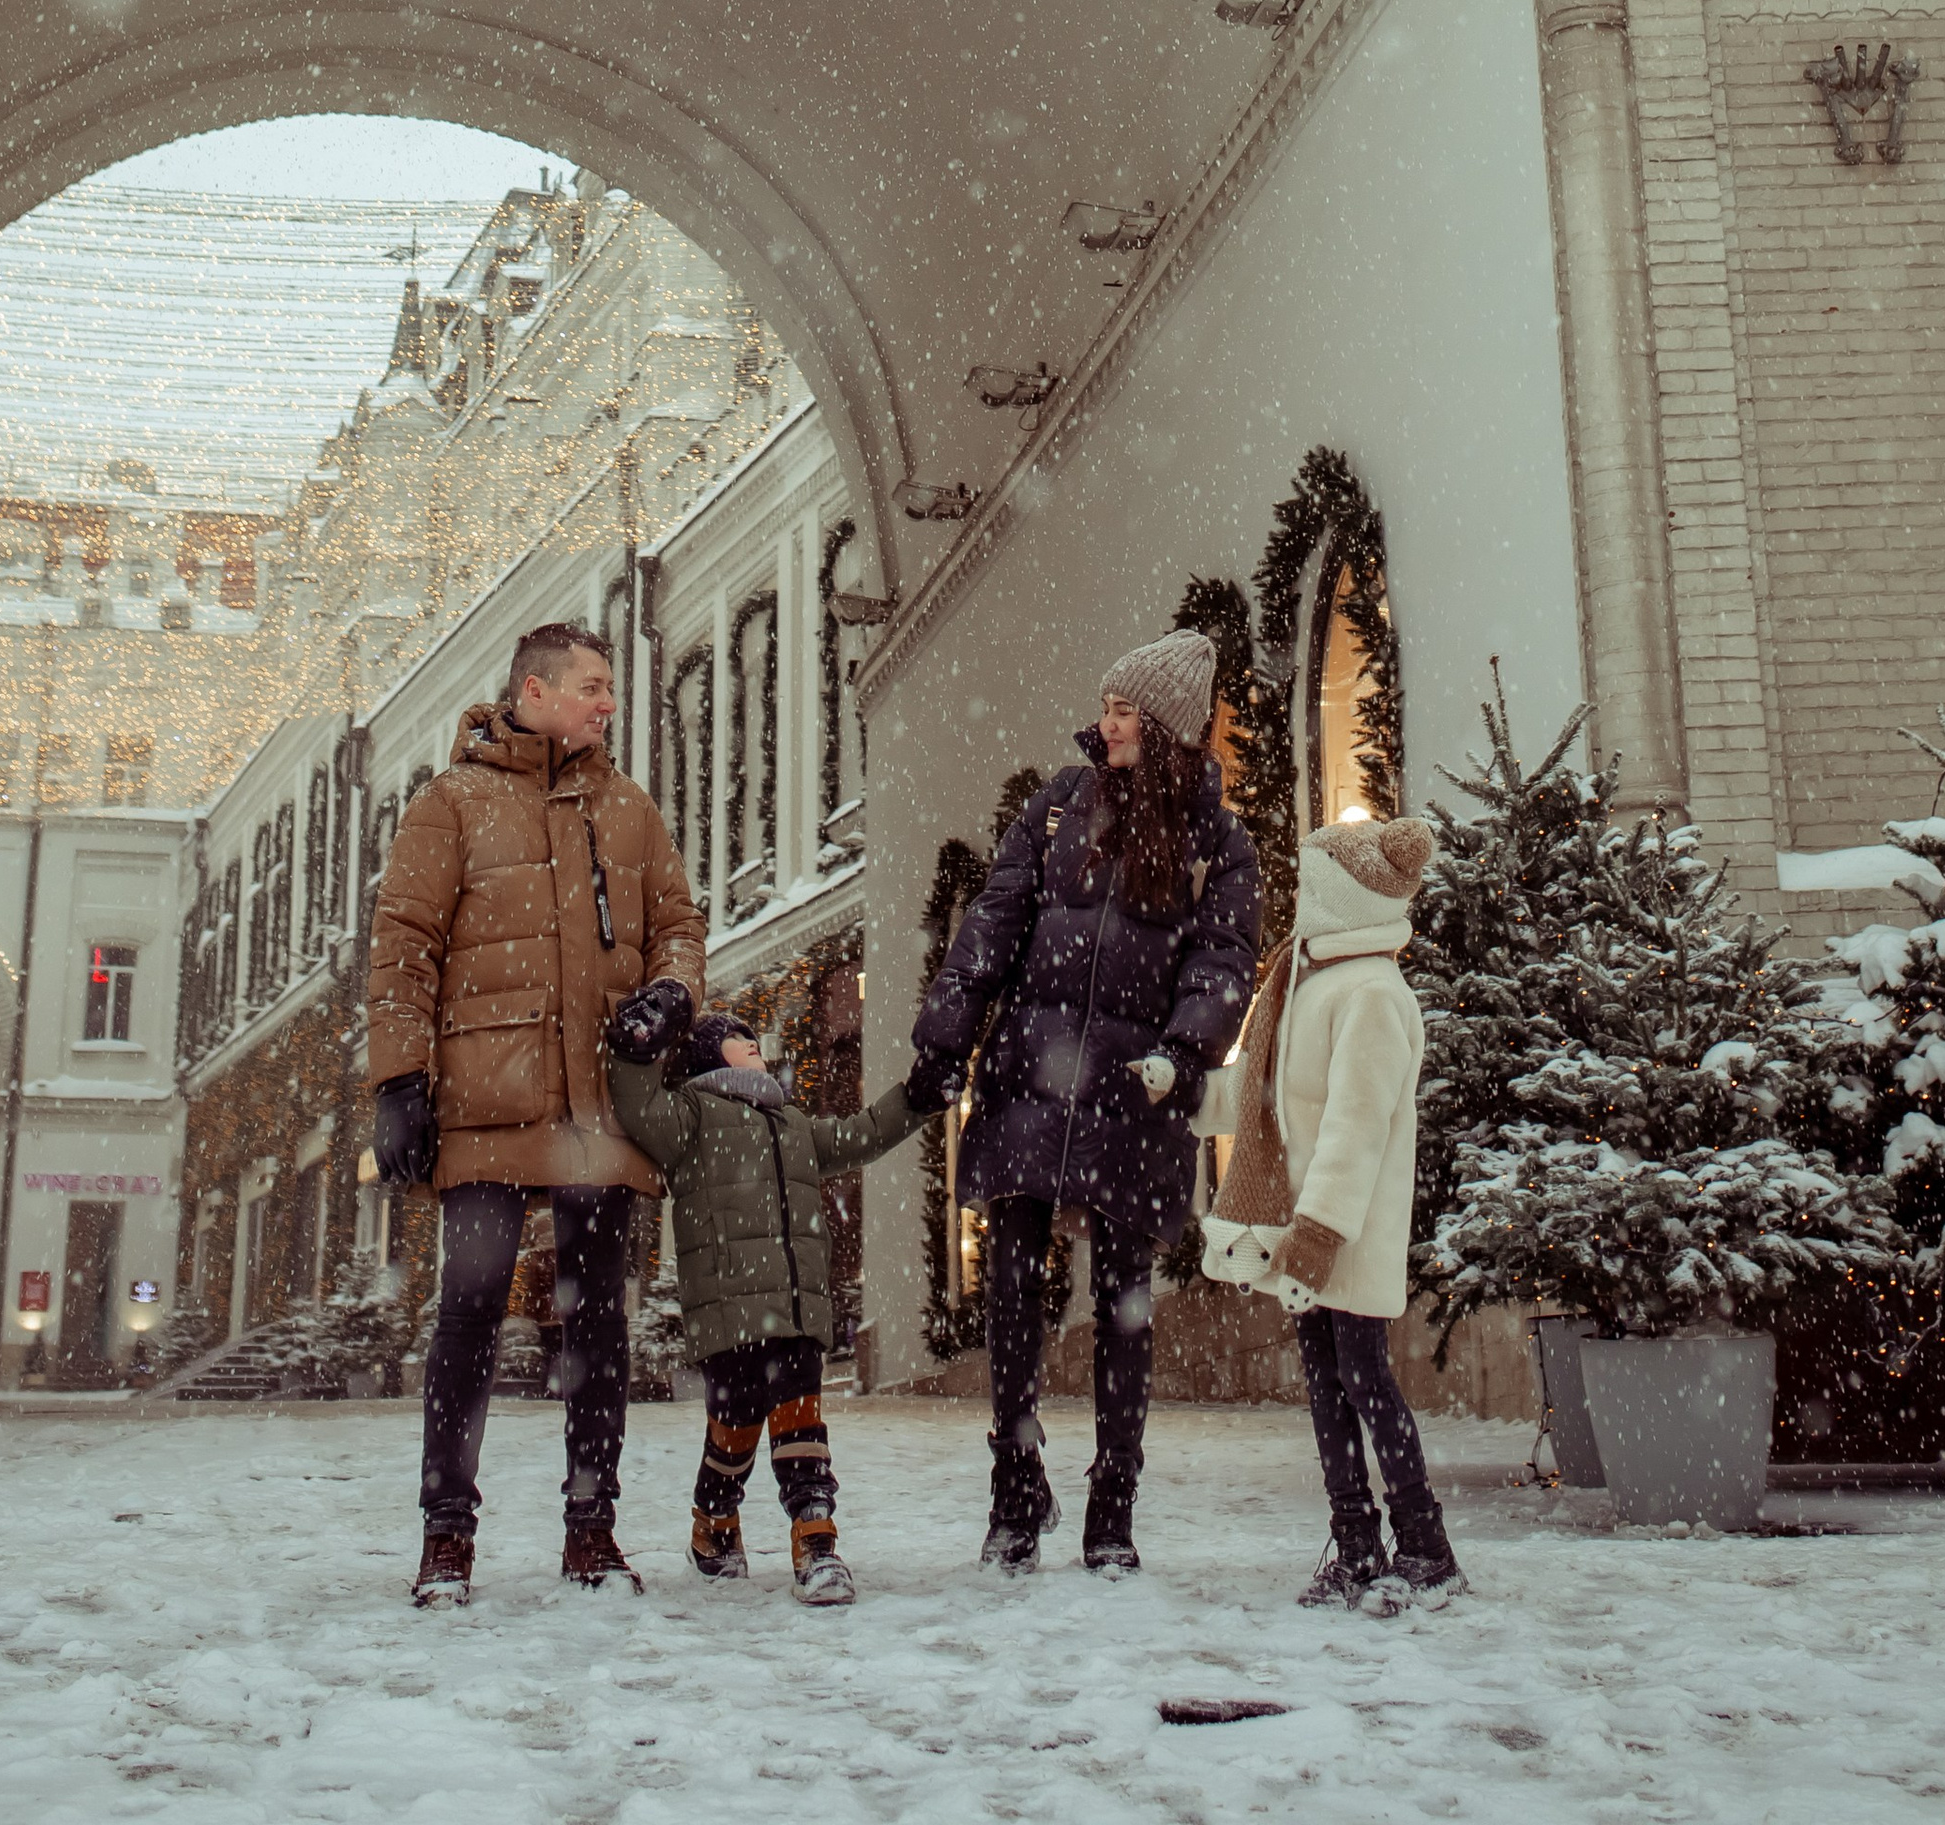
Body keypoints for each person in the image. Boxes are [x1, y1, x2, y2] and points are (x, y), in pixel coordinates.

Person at [911, 627, 1262, 1571]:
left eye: (1125, 711)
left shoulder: (1216, 841)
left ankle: (1113, 1504)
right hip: (1033, 1067)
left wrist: (1183, 1049)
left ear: (1167, 727)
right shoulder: (1060, 805)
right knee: (1013, 1286)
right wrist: (945, 1040)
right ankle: (1015, 1486)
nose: (1107, 724)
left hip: (1131, 1091)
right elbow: (994, 919)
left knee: (1122, 1300)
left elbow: (1223, 956)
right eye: (1106, 707)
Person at [369, 618, 704, 1604]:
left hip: (599, 1104)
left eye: (609, 686)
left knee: (596, 1323)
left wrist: (673, 989)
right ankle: (446, 1536)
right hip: (486, 1100)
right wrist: (399, 1079)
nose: (608, 702)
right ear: (533, 691)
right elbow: (403, 945)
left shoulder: (628, 809)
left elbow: (678, 920)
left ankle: (591, 1531)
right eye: (591, 685)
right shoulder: (451, 804)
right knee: (469, 1316)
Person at [1209, 810, 1462, 1611]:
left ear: (1342, 895)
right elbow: (1262, 1095)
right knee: (1327, 1383)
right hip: (1306, 1230)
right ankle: (1355, 1544)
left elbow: (1357, 1125)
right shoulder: (1307, 985)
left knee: (1363, 1377)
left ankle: (1425, 1545)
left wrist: (1319, 1231)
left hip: (1344, 1231)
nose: (1302, 899)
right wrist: (1173, 1095)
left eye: (1313, 884)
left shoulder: (1372, 994)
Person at [603, 996, 933, 1604]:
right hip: (728, 1310)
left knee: (802, 1422)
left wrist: (915, 1097)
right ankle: (714, 1523)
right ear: (708, 1055)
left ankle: (816, 1540)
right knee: (734, 1430)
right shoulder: (690, 1115)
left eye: (752, 1035)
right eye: (735, 1036)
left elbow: (863, 1133)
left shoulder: (793, 1123)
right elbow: (638, 1104)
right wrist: (634, 1047)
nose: (751, 1040)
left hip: (796, 1307)